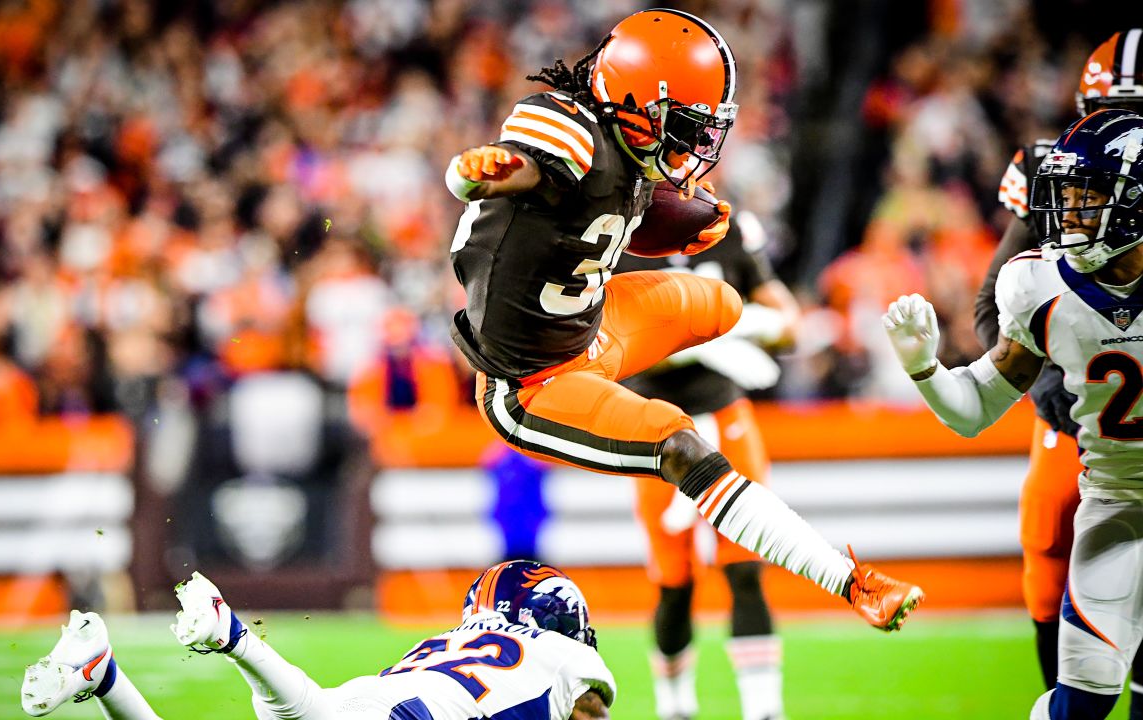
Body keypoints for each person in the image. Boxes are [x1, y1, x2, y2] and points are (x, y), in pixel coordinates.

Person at [446, 8, 920, 631]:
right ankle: (849, 580)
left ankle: (717, 348)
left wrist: (668, 219)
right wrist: (483, 171)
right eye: (687, 126)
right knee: (679, 443)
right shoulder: (571, 132)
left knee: (721, 303)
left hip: (596, 325)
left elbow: (608, 212)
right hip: (532, 382)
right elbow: (526, 163)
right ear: (639, 104)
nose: (697, 147)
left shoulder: (629, 151)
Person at [884, 108, 1143, 720]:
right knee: (1079, 704)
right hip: (1118, 511)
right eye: (1071, 195)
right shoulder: (1041, 288)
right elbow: (974, 410)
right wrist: (925, 367)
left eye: (1091, 196)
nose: (1071, 213)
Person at [974, 31, 1143, 703]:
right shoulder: (1063, 174)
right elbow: (994, 298)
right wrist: (1054, 371)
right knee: (1049, 544)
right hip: (1082, 407)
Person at [21, 560, 615, 719]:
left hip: (366, 699)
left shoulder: (443, 641)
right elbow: (591, 712)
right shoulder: (567, 659)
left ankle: (105, 679)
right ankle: (234, 636)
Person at [615, 203, 797, 720]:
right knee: (674, 580)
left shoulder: (730, 224)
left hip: (726, 415)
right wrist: (713, 341)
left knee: (746, 568)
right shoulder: (618, 230)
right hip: (652, 421)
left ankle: (764, 711)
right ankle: (676, 707)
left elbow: (789, 324)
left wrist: (750, 328)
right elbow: (618, 340)